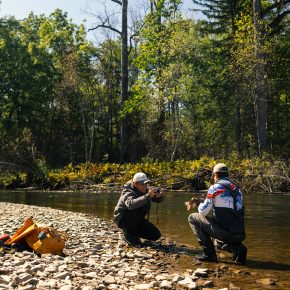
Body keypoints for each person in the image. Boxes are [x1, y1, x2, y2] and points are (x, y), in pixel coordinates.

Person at [187, 163, 247, 264]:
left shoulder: (215, 188)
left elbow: (203, 212)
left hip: (226, 234)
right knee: (217, 242)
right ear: (227, 175)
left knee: (193, 217)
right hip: (240, 234)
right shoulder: (237, 189)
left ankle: (209, 254)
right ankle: (238, 248)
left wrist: (199, 204)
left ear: (215, 175)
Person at [113, 172, 164, 246]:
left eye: (146, 184)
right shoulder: (127, 191)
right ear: (135, 183)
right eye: (143, 184)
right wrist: (147, 196)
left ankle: (133, 233)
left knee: (156, 235)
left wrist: (159, 196)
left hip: (137, 219)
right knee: (135, 242)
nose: (145, 186)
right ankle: (127, 233)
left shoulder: (145, 190)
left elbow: (157, 200)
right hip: (123, 220)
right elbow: (131, 204)